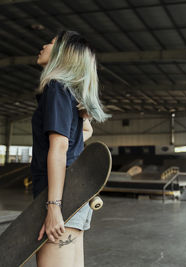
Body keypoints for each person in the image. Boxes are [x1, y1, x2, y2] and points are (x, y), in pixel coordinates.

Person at [31, 30, 110, 267]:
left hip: (60, 197)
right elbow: (87, 132)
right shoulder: (70, 92)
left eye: (52, 43)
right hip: (77, 194)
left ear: (63, 54)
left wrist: (54, 207)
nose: (44, 45)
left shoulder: (56, 88)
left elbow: (60, 146)